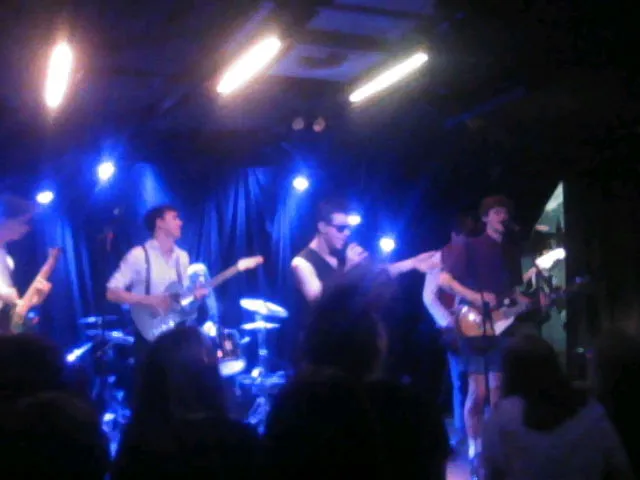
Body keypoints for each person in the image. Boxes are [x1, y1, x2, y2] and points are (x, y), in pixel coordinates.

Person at [438, 195, 529, 471]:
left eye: (505, 212)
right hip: (473, 324)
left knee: (498, 391)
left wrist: (527, 303)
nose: (502, 216)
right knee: (477, 392)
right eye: (496, 212)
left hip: (500, 325)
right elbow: (445, 280)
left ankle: (496, 448)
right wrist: (474, 297)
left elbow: (514, 293)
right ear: (486, 217)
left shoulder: (511, 252)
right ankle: (475, 448)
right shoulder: (471, 245)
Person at [483, 335, 633, 480]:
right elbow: (620, 468)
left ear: (510, 373)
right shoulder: (591, 412)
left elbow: (491, 472)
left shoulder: (502, 418)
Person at [106, 205, 207, 363]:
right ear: (159, 223)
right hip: (149, 339)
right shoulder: (138, 255)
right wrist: (149, 300)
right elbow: (112, 292)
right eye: (174, 218)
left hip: (178, 338)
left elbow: (180, 300)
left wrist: (195, 297)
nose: (180, 222)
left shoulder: (183, 257)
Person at [291, 198, 437, 305]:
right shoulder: (301, 263)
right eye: (341, 228)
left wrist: (412, 263)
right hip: (320, 336)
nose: (347, 233)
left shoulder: (343, 253)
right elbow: (316, 299)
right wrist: (348, 269)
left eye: (348, 228)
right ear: (322, 227)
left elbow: (377, 272)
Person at [422, 213, 475, 449]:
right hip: (452, 328)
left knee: (477, 380)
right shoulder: (439, 258)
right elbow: (428, 297)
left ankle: (475, 433)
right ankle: (462, 432)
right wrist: (448, 323)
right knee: (460, 381)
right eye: (464, 235)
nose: (468, 241)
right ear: (454, 235)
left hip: (474, 324)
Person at [0, 195, 51, 334]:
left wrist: (32, 302)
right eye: (23, 221)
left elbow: (10, 313)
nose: (27, 228)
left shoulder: (6, 257)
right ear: (3, 219)